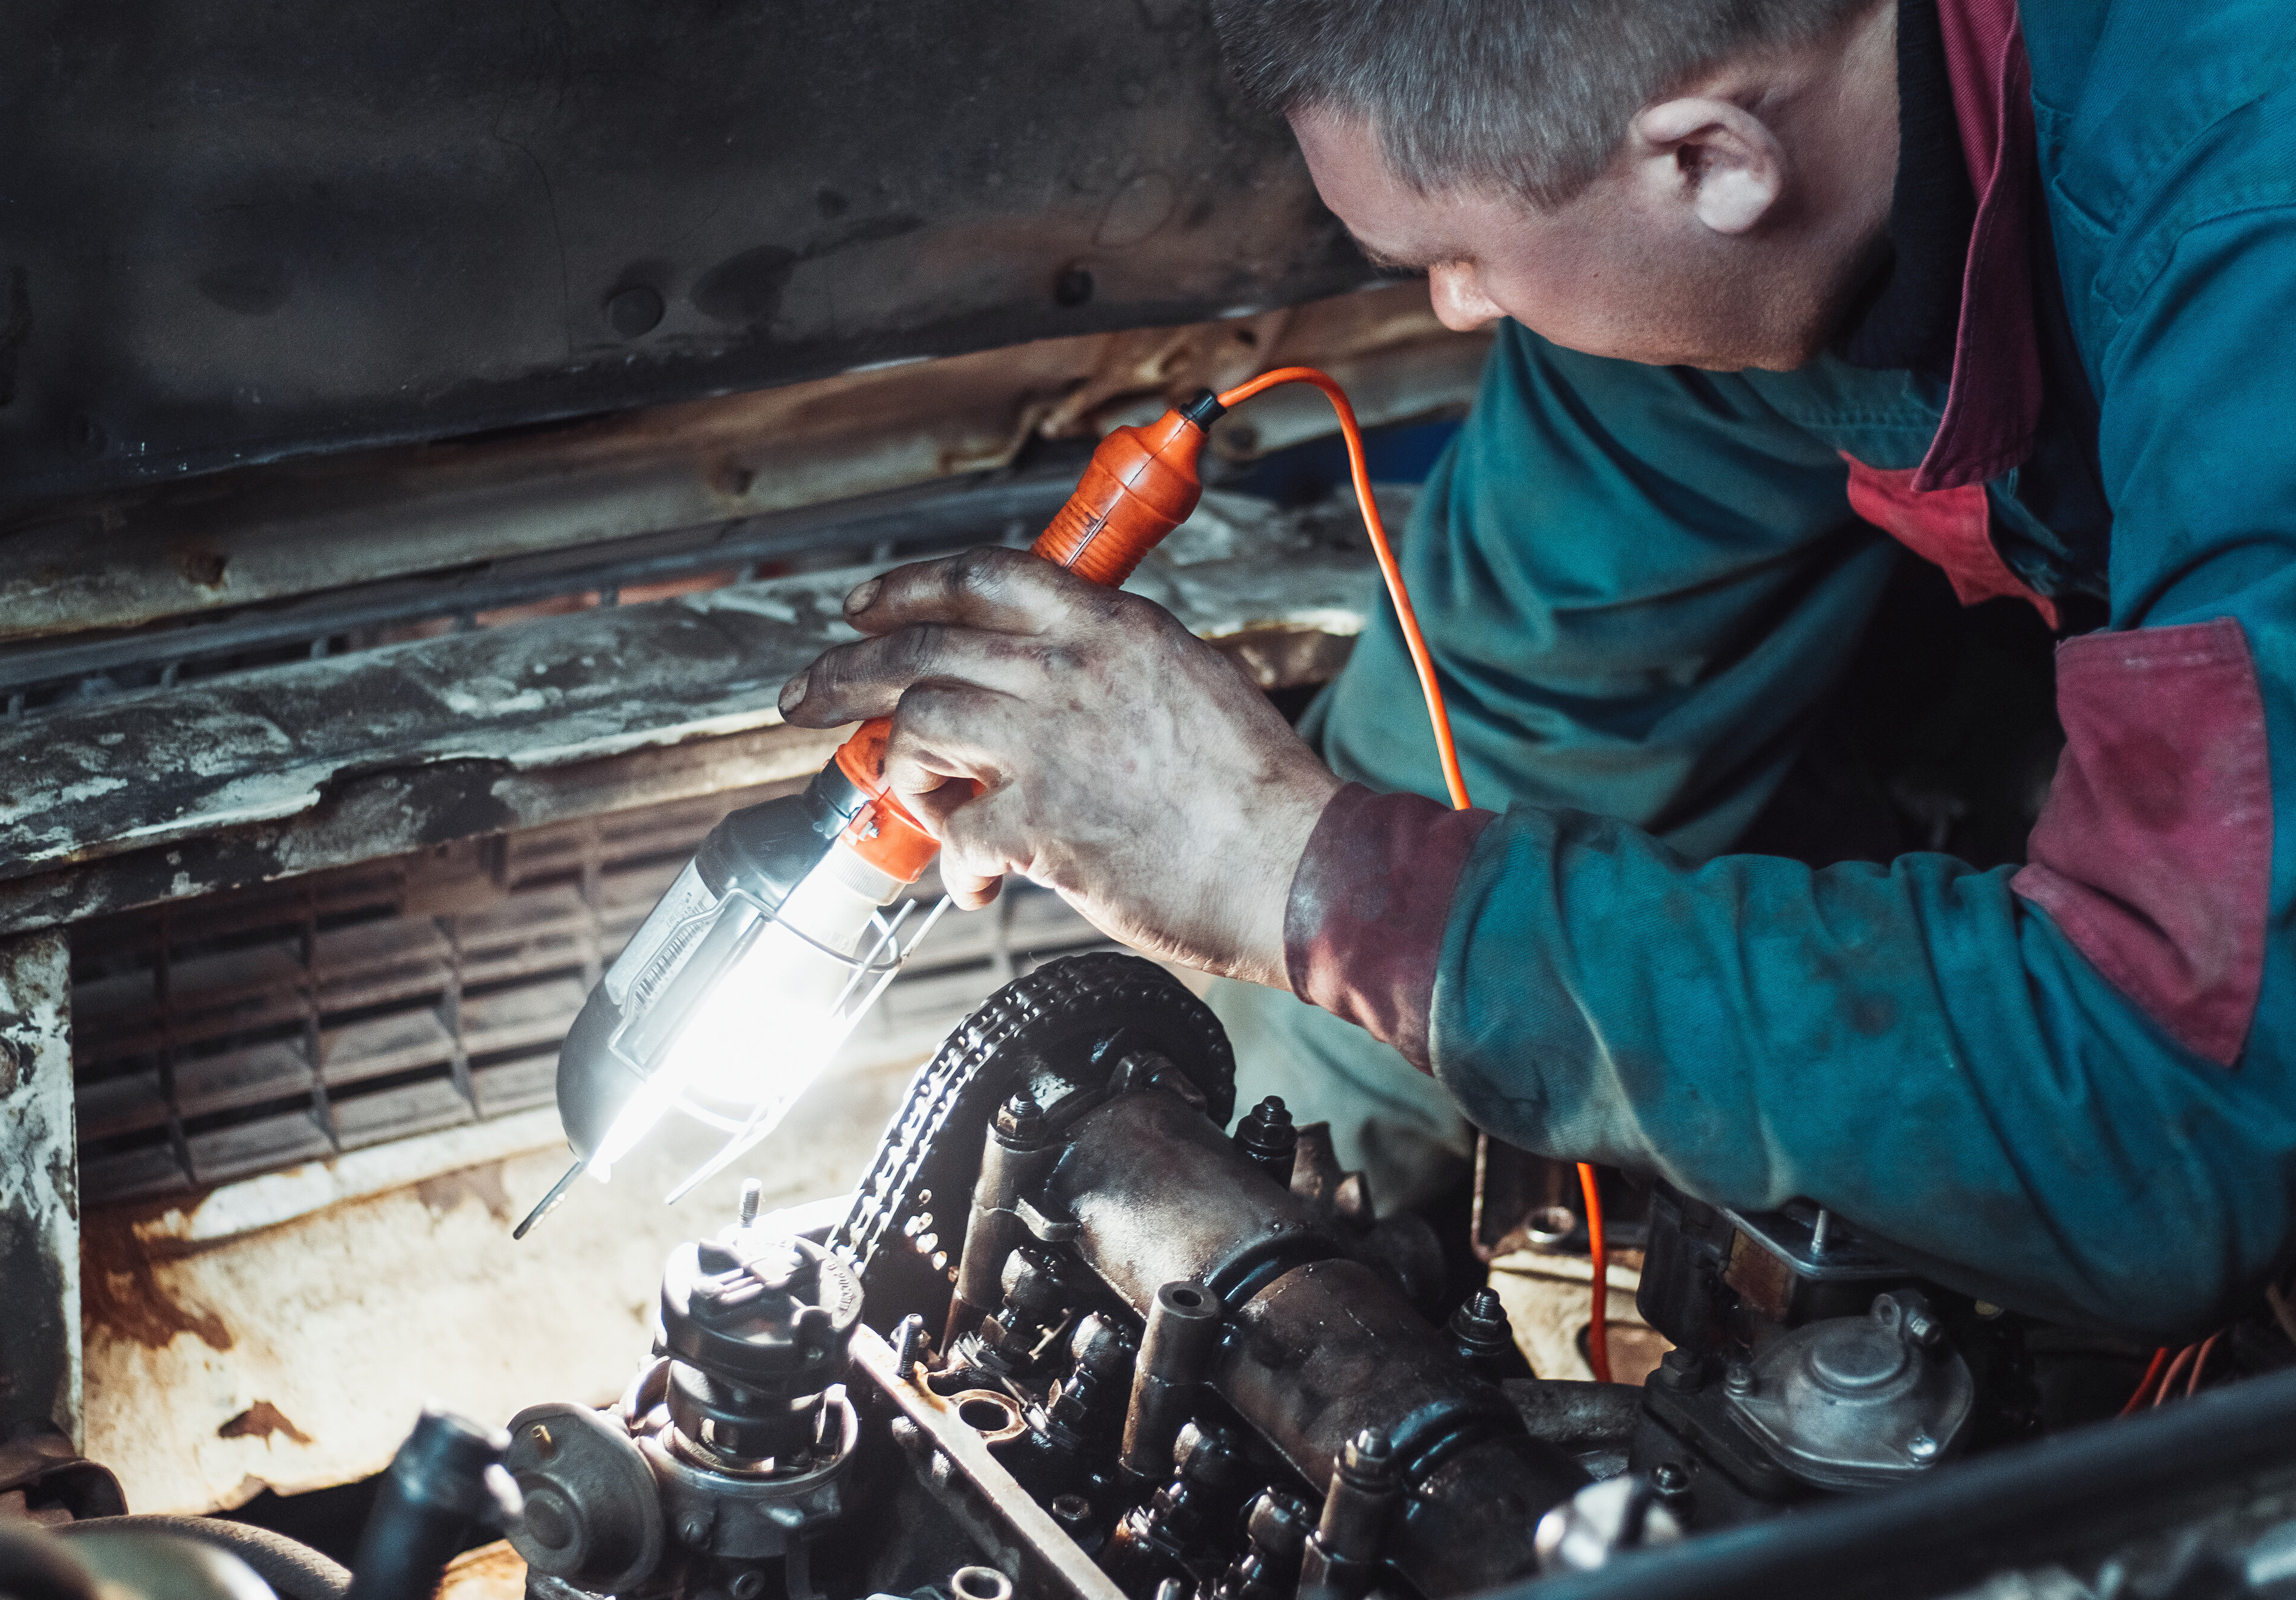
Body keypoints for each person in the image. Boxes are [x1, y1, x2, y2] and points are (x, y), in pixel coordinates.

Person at [777, 0, 2296, 1338]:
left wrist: (1291, 871)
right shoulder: (1732, 248)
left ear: (1708, 160)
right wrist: (1236, 1195)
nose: (1452, 310)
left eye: (1456, 256)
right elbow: (1527, 698)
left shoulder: (2249, 213)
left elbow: (2180, 1109)